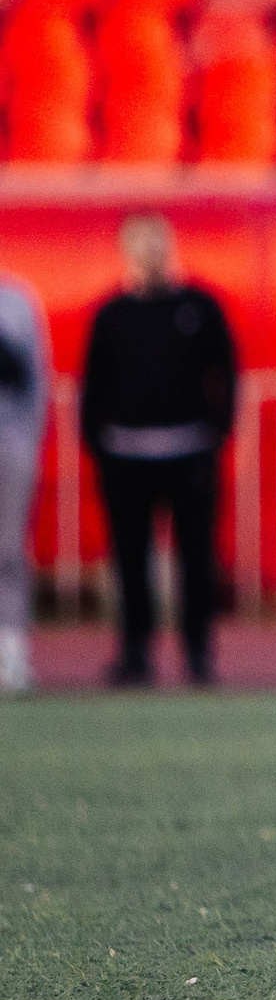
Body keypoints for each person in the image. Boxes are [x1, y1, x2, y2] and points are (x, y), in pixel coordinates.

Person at [79, 213, 239, 688]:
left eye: (157, 245)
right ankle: (134, 653)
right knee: (130, 559)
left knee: (196, 558)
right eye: (140, 245)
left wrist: (217, 431)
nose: (149, 255)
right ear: (126, 252)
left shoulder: (200, 307)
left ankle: (197, 654)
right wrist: (97, 441)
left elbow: (226, 371)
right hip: (125, 454)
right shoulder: (111, 315)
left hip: (189, 449)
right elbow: (95, 383)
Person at [0, 265, 50, 694]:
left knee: (8, 549)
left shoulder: (15, 300)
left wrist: (28, 441)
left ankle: (10, 651)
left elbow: (33, 377)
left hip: (8, 439)